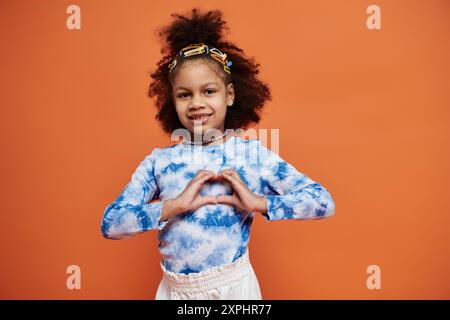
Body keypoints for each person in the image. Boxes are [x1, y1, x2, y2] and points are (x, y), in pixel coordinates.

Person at [100, 8, 335, 300]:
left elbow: (323, 201)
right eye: (184, 94)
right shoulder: (160, 162)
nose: (197, 103)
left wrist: (260, 203)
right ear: (172, 100)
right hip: (176, 293)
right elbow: (111, 224)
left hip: (234, 290)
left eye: (209, 91)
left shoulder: (251, 156)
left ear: (230, 95)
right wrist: (172, 206)